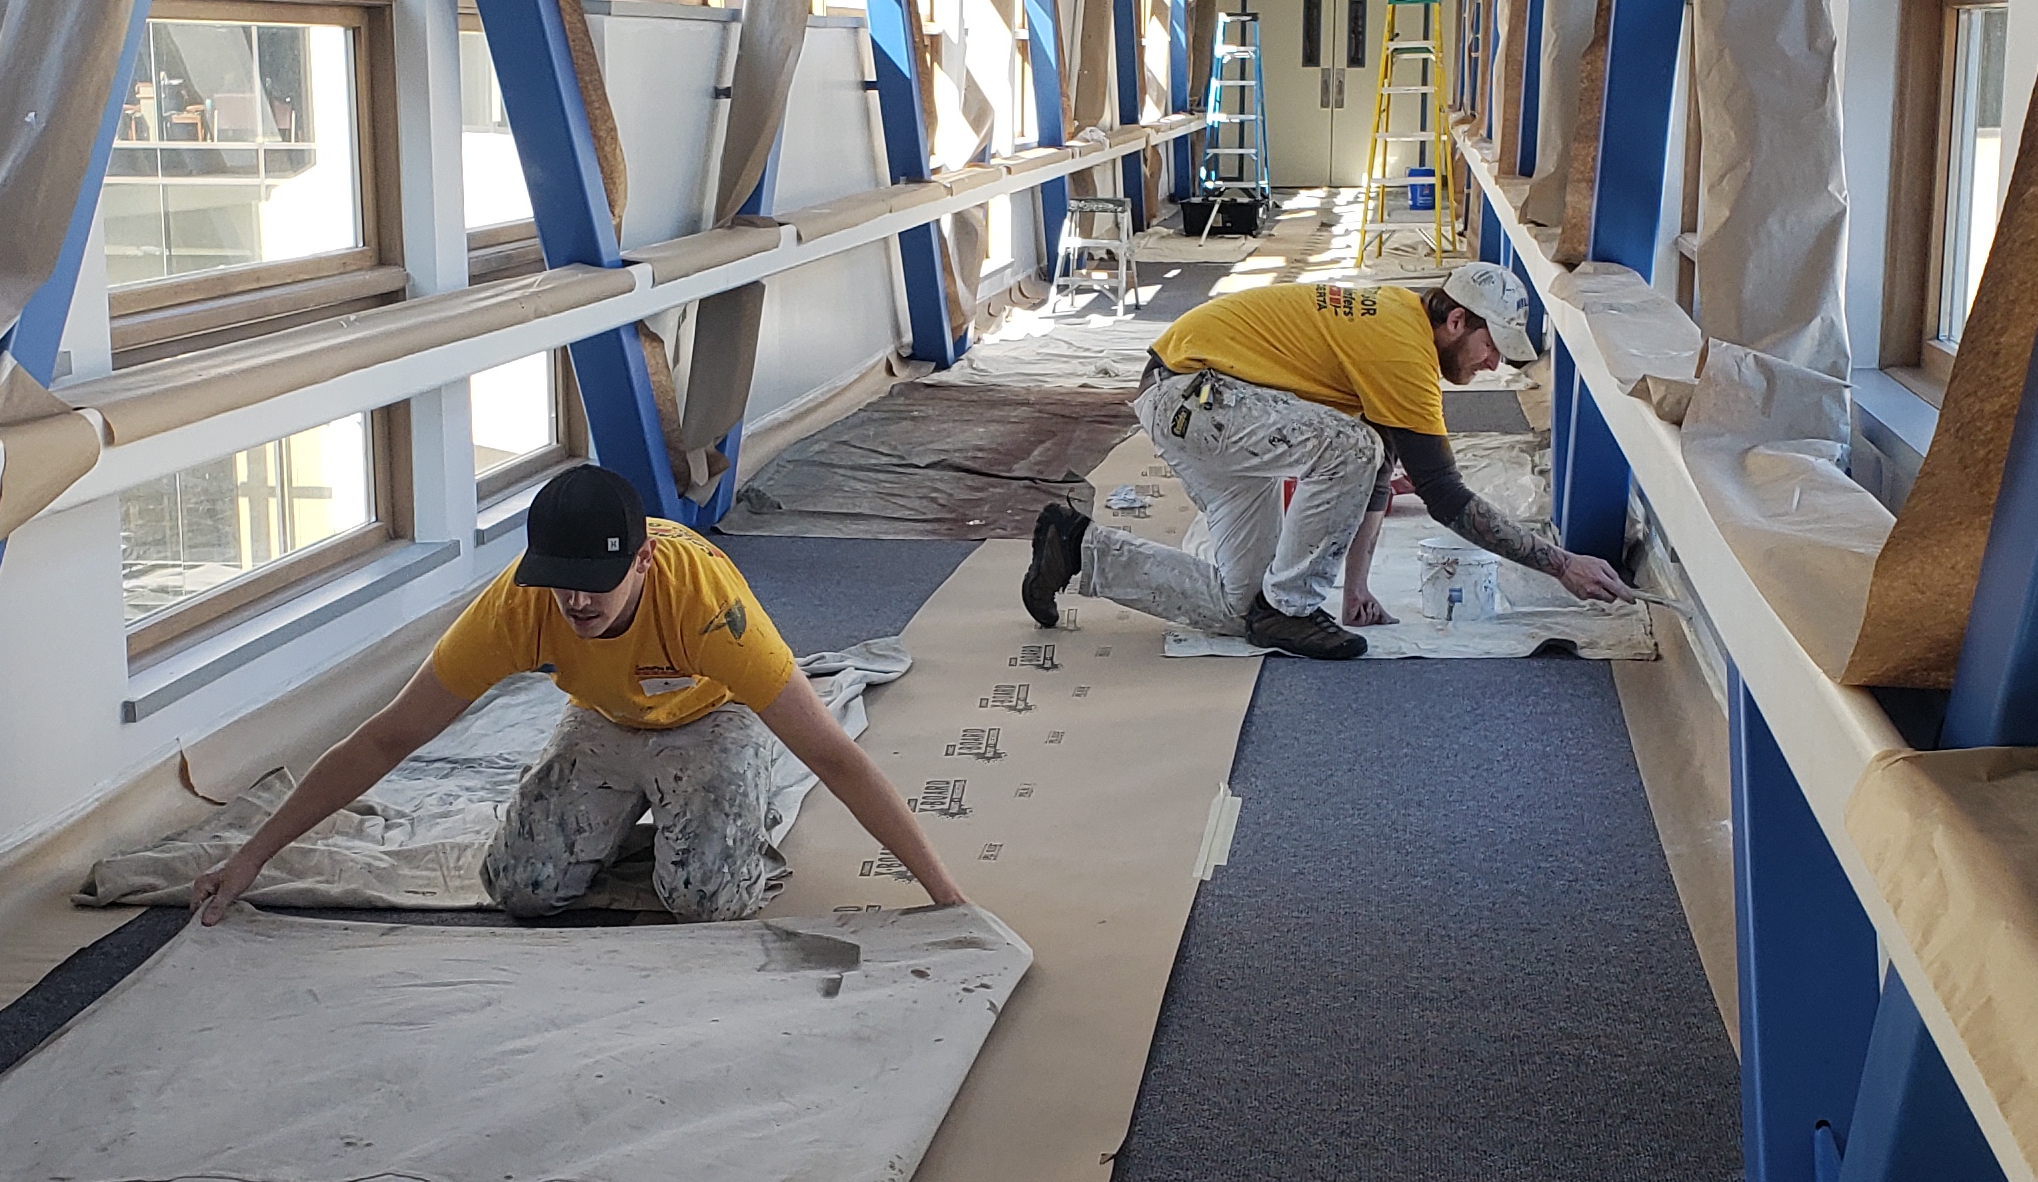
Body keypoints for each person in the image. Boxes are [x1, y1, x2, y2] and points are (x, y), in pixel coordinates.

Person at [189, 465, 967, 925]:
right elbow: (389, 738)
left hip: (707, 718)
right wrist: (253, 855)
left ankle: (728, 816)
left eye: (595, 586)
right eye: (559, 586)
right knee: (520, 891)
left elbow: (830, 755)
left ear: (644, 564)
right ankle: (635, 819)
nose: (577, 605)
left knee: (706, 901)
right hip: (602, 718)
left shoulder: (709, 610)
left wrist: (945, 897)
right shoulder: (516, 607)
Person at [1021, 261, 1631, 658]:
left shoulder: (1398, 330)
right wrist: (1560, 564)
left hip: (1209, 407)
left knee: (1242, 609)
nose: (1493, 366)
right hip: (1196, 396)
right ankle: (1292, 606)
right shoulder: (1402, 349)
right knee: (1348, 449)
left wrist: (1357, 588)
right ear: (1456, 320)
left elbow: (1379, 472)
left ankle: (1076, 547)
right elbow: (1442, 494)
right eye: (1492, 348)